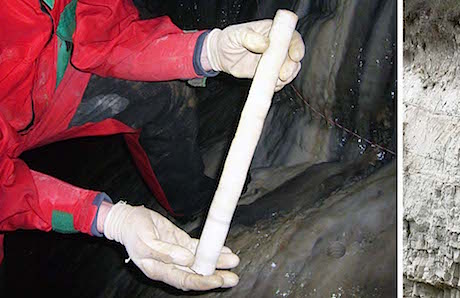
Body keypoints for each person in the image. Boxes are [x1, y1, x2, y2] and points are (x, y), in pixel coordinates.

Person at [0, 0, 305, 291]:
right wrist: (106, 218)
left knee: (164, 98)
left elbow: (105, 27)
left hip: (48, 86)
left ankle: (188, 202)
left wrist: (207, 50)